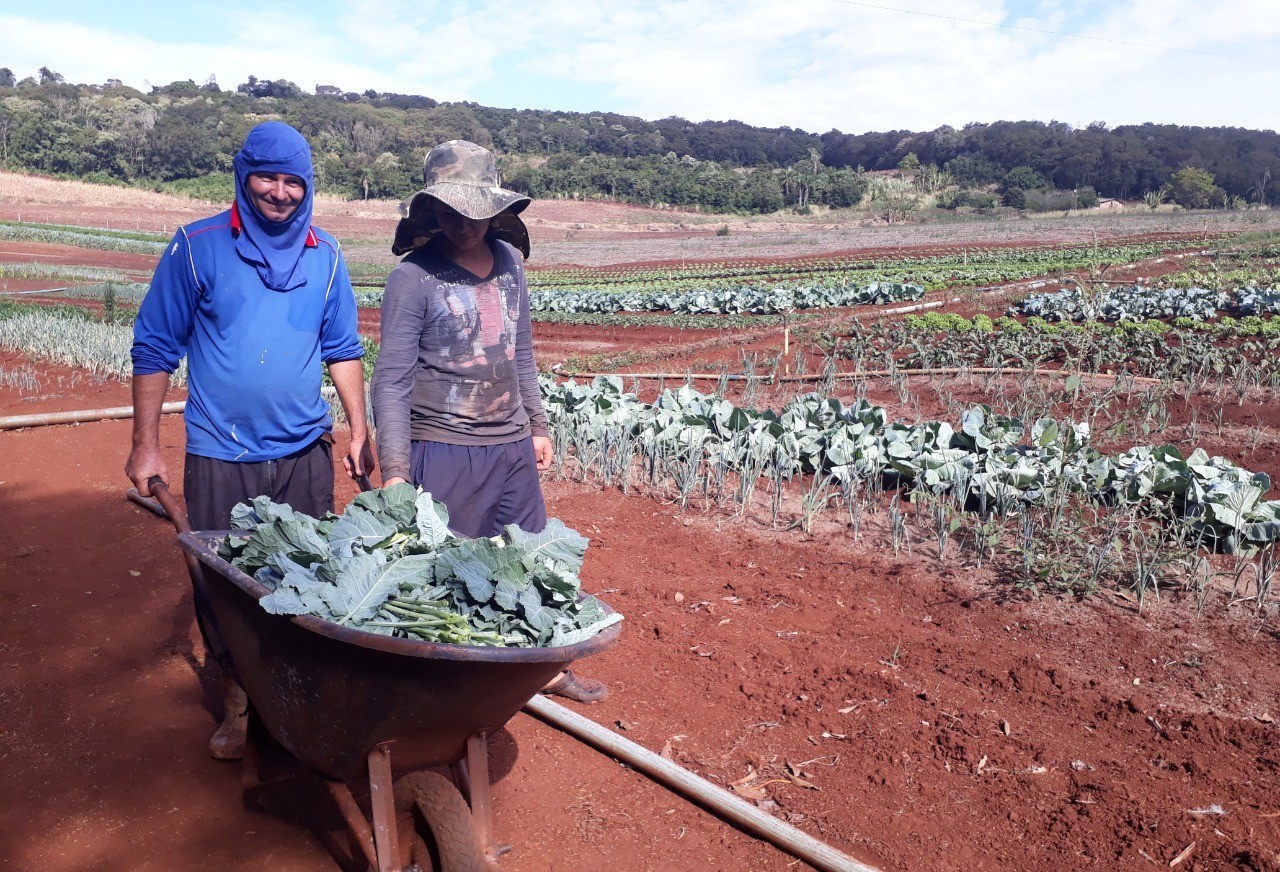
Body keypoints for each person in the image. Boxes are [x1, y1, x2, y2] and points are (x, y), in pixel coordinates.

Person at [126, 120, 374, 758]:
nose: (281, 193)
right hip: (220, 452)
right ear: (243, 175)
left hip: (304, 453)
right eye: (268, 176)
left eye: (295, 181)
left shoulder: (327, 254)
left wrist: (358, 427)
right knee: (226, 589)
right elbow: (155, 346)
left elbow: (342, 348)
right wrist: (146, 445)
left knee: (311, 578)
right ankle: (239, 701)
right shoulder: (197, 246)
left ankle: (297, 696)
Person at [371, 139, 606, 703]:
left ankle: (540, 667)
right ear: (432, 210)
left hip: (510, 444)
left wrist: (539, 425)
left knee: (531, 558)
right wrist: (396, 470)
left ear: (494, 208)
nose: (463, 224)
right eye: (450, 212)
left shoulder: (509, 264)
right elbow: (392, 379)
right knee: (447, 568)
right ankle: (451, 680)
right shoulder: (414, 278)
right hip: (444, 445)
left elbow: (520, 352)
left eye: (474, 211)